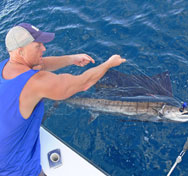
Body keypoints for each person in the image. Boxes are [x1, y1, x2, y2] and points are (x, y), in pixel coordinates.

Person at [0, 23, 126, 176]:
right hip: (14, 169)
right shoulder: (34, 83)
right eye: (38, 46)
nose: (44, 49)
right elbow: (84, 83)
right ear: (20, 52)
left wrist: (72, 59)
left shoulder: (5, 66)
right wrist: (109, 63)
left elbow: (41, 64)